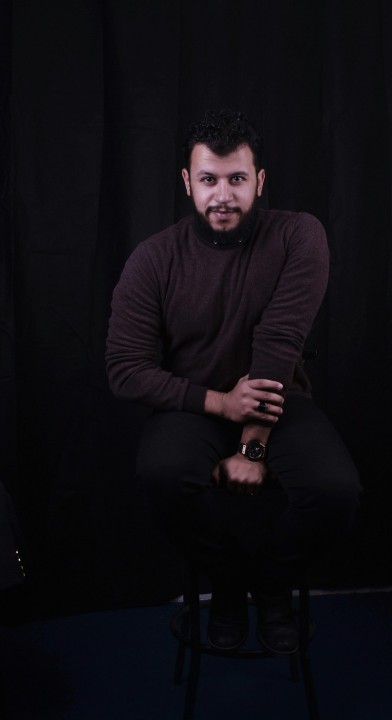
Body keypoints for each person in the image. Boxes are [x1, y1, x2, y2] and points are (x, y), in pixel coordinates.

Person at [105, 109, 360, 655]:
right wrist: (221, 402)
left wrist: (252, 449)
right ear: (187, 182)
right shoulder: (153, 259)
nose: (223, 195)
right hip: (192, 406)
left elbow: (277, 345)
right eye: (209, 179)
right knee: (162, 474)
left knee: (336, 490)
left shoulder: (298, 235)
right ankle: (225, 584)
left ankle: (270, 585)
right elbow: (126, 369)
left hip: (277, 401)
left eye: (237, 179)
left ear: (259, 181)